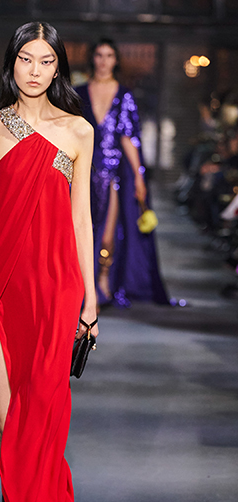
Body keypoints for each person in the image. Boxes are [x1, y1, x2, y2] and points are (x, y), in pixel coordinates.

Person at [0, 21, 98, 502]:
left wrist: (90, 300)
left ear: (58, 67)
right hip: (2, 286)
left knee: (42, 413)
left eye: (46, 61)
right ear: (10, 62)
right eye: (26, 59)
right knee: (5, 419)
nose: (35, 70)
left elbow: (81, 219)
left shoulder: (77, 131)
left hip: (55, 286)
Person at [76, 38, 169, 307]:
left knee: (108, 230)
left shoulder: (124, 94)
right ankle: (83, 285)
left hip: (114, 173)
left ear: (116, 60)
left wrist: (139, 176)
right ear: (92, 58)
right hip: (83, 171)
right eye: (99, 55)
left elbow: (129, 138)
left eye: (109, 55)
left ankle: (103, 280)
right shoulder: (78, 93)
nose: (103, 61)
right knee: (82, 230)